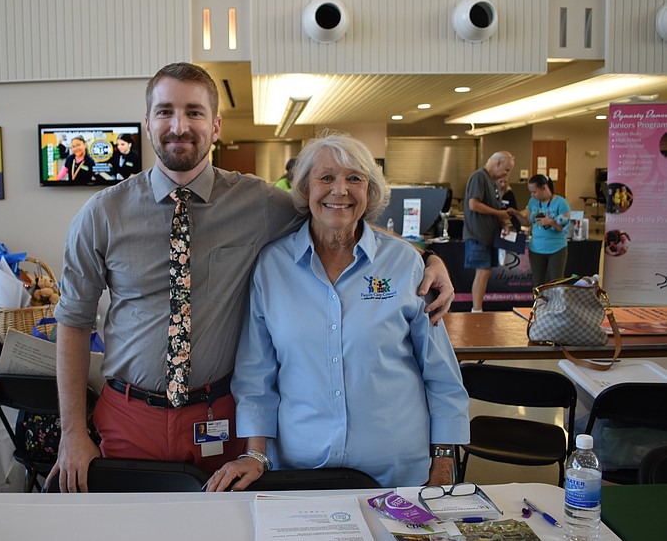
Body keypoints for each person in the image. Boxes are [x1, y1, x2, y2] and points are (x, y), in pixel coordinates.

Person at [50, 62, 455, 493]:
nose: (179, 125)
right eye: (165, 111)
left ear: (216, 125)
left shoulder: (258, 203)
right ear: (147, 121)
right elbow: (74, 321)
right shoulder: (102, 214)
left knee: (225, 523)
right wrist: (72, 431)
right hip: (131, 415)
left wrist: (424, 255)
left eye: (194, 112)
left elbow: (337, 213)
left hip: (220, 417)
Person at [205, 134, 469, 491]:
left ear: (370, 191)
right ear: (305, 189)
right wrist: (255, 453)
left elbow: (441, 375)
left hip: (397, 472)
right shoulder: (272, 266)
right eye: (326, 177)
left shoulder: (405, 263)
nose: (340, 190)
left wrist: (444, 461)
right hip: (300, 470)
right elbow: (256, 375)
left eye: (354, 178)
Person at [463, 151, 514, 312]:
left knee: (486, 272)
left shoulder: (493, 183)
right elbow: (474, 204)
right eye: (506, 169)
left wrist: (504, 224)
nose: (506, 174)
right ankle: (476, 310)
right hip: (478, 235)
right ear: (497, 163)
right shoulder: (479, 177)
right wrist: (499, 213)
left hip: (489, 236)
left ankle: (478, 308)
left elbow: (495, 208)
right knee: (482, 272)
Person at [507, 174, 571, 287]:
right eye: (531, 192)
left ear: (544, 188)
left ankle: (555, 300)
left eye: (534, 192)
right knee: (537, 283)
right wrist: (516, 213)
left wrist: (551, 222)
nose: (532, 195)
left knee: (556, 283)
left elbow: (565, 228)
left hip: (556, 248)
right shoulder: (533, 202)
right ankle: (539, 299)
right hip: (536, 249)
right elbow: (527, 222)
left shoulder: (561, 203)